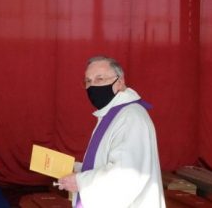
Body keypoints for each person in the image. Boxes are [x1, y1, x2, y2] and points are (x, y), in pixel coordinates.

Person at [57, 56, 166, 208]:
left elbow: (126, 175)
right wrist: (77, 170)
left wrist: (80, 182)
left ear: (120, 83)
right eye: (88, 81)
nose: (92, 86)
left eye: (99, 79)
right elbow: (107, 161)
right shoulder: (112, 114)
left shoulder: (130, 118)